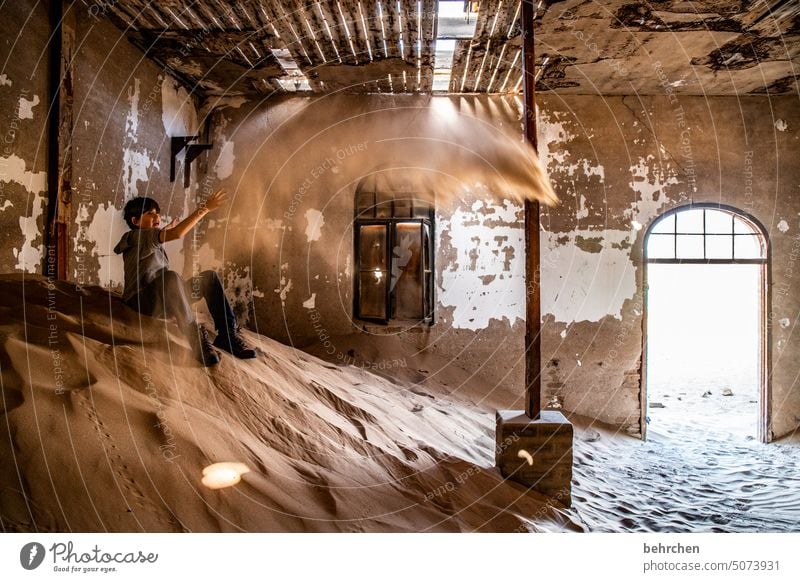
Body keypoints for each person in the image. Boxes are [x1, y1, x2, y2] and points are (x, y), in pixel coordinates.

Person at [114, 190, 256, 366]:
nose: (156, 216)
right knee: (171, 277)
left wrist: (167, 229)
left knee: (209, 278)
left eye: (158, 213)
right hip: (142, 301)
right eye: (150, 213)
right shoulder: (137, 236)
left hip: (165, 298)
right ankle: (195, 339)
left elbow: (166, 235)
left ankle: (227, 335)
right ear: (135, 221)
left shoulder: (147, 240)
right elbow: (178, 234)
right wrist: (205, 208)